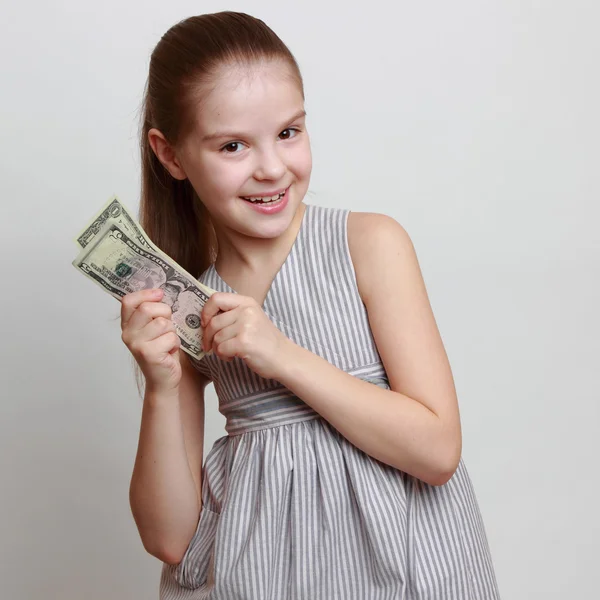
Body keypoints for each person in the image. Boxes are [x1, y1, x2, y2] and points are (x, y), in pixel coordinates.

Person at [120, 11, 500, 599]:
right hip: (258, 574)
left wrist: (280, 354)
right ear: (170, 156)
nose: (271, 167)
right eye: (233, 145)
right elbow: (170, 538)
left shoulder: (369, 245)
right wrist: (163, 384)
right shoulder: (191, 301)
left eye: (289, 132)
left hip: (402, 570)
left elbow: (438, 450)